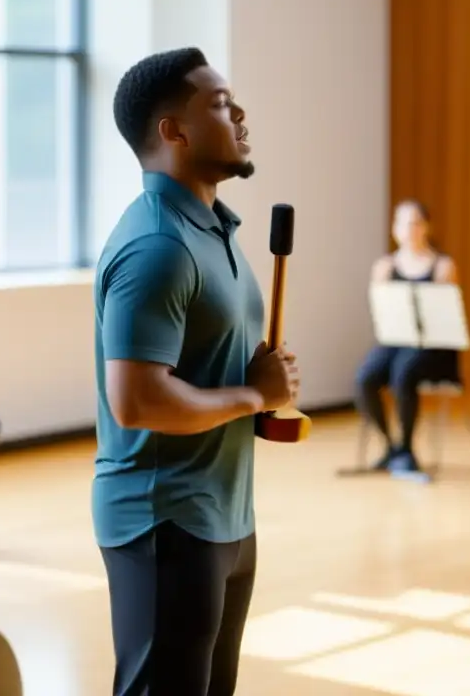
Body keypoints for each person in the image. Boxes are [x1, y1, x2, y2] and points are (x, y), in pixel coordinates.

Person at [94, 48, 299, 696]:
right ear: (172, 131)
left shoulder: (215, 227)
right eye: (217, 102)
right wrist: (250, 394)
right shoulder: (158, 244)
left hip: (226, 512)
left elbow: (207, 367)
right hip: (164, 518)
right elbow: (136, 401)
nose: (238, 113)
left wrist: (261, 384)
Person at [354, 200, 459, 475]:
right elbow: (381, 313)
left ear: (426, 227)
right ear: (394, 229)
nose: (408, 229)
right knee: (365, 377)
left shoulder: (443, 266)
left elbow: (443, 316)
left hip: (432, 347)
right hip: (395, 340)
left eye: (414, 223)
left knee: (404, 372)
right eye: (402, 223)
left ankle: (407, 448)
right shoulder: (384, 267)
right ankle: (391, 447)